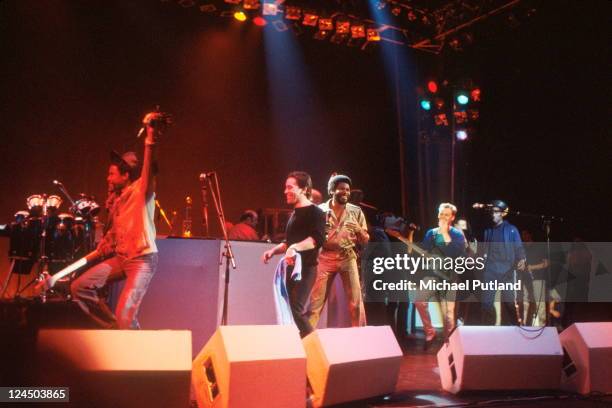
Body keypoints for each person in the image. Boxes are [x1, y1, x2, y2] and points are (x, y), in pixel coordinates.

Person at [70, 111, 165, 329]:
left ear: (126, 175)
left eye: (111, 174)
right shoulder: (118, 201)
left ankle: (128, 338)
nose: (108, 179)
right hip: (122, 259)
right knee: (80, 287)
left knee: (126, 316)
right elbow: (111, 241)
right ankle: (116, 329)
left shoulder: (141, 190)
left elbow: (149, 168)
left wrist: (150, 139)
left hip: (142, 260)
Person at [262, 171, 325, 337]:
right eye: (285, 188)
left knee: (296, 308)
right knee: (289, 309)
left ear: (304, 189)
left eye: (290, 187)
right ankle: (300, 346)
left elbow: (315, 240)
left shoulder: (316, 213)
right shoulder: (293, 215)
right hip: (290, 269)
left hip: (306, 270)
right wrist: (274, 251)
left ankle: (315, 346)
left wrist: (295, 247)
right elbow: (288, 243)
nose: (285, 191)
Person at [308, 174, 369, 328]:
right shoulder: (320, 210)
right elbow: (311, 236)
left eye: (348, 190)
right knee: (316, 303)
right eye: (341, 189)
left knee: (355, 303)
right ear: (332, 191)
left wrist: (358, 229)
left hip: (347, 257)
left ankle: (360, 337)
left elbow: (365, 239)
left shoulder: (356, 211)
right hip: (325, 257)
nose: (346, 192)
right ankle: (306, 339)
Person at [414, 203, 466, 342]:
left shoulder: (457, 234)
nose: (443, 217)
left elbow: (454, 253)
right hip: (433, 275)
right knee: (419, 300)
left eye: (446, 215)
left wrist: (444, 233)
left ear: (452, 217)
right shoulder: (431, 233)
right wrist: (426, 256)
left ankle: (450, 342)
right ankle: (430, 331)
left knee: (448, 314)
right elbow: (425, 251)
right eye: (441, 214)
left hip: (449, 277)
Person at [480, 200, 526, 325]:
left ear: (503, 213)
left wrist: (522, 259)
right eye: (492, 212)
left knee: (509, 303)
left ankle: (514, 328)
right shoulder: (488, 230)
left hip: (507, 271)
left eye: (496, 212)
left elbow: (518, 247)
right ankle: (488, 330)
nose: (493, 214)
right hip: (490, 271)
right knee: (486, 303)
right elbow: (484, 249)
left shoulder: (511, 229)